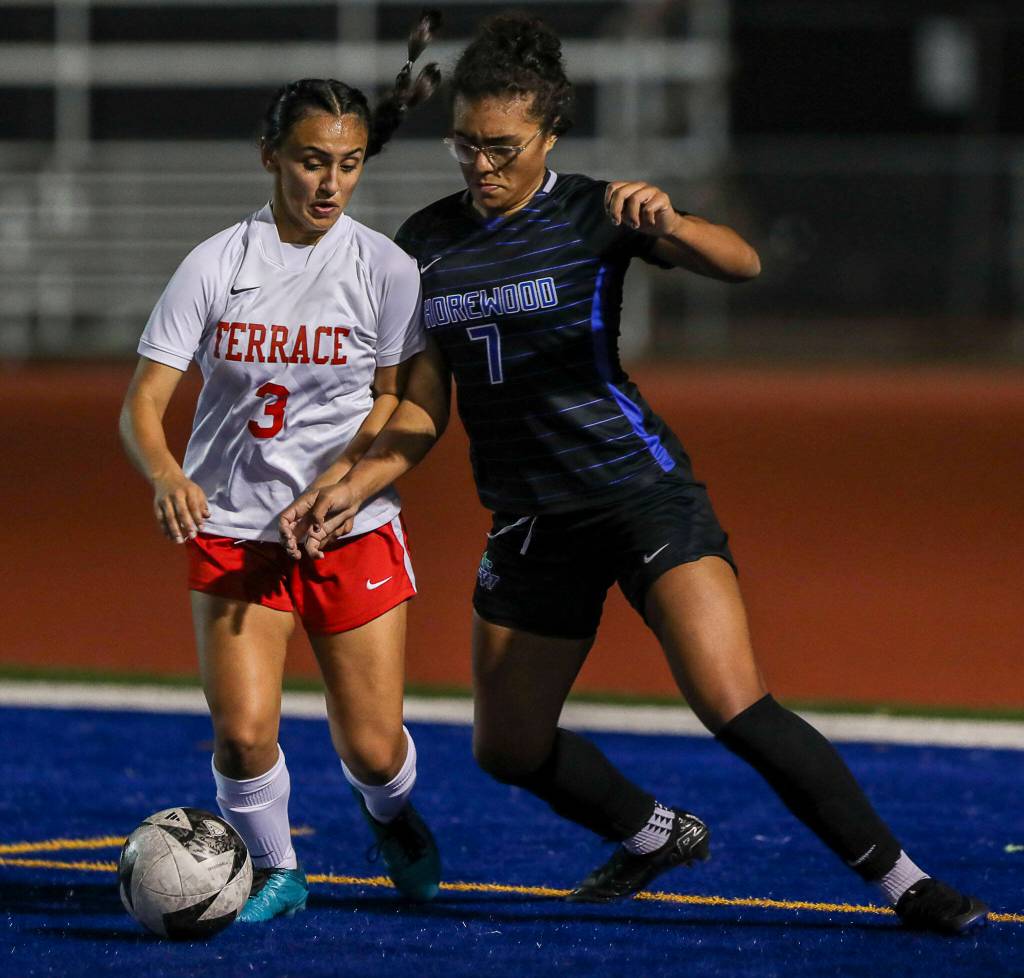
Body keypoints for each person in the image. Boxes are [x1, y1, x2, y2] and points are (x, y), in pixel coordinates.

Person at [279, 13, 987, 935]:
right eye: (465, 144)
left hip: (637, 492)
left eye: (502, 147)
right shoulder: (423, 244)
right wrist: (353, 482)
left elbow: (745, 261)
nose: (480, 165)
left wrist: (676, 222)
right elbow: (420, 407)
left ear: (549, 137)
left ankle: (907, 883)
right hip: (531, 521)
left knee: (734, 703)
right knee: (508, 748)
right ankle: (652, 833)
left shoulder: (596, 210)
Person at [119, 14, 445, 924]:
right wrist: (167, 474)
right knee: (241, 730)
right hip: (233, 529)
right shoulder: (216, 264)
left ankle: (392, 816)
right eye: (310, 160)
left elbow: (391, 400)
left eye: (346, 163)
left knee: (376, 748)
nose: (329, 181)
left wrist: (343, 487)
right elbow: (142, 405)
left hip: (350, 531)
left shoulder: (385, 269)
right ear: (271, 156)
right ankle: (277, 870)